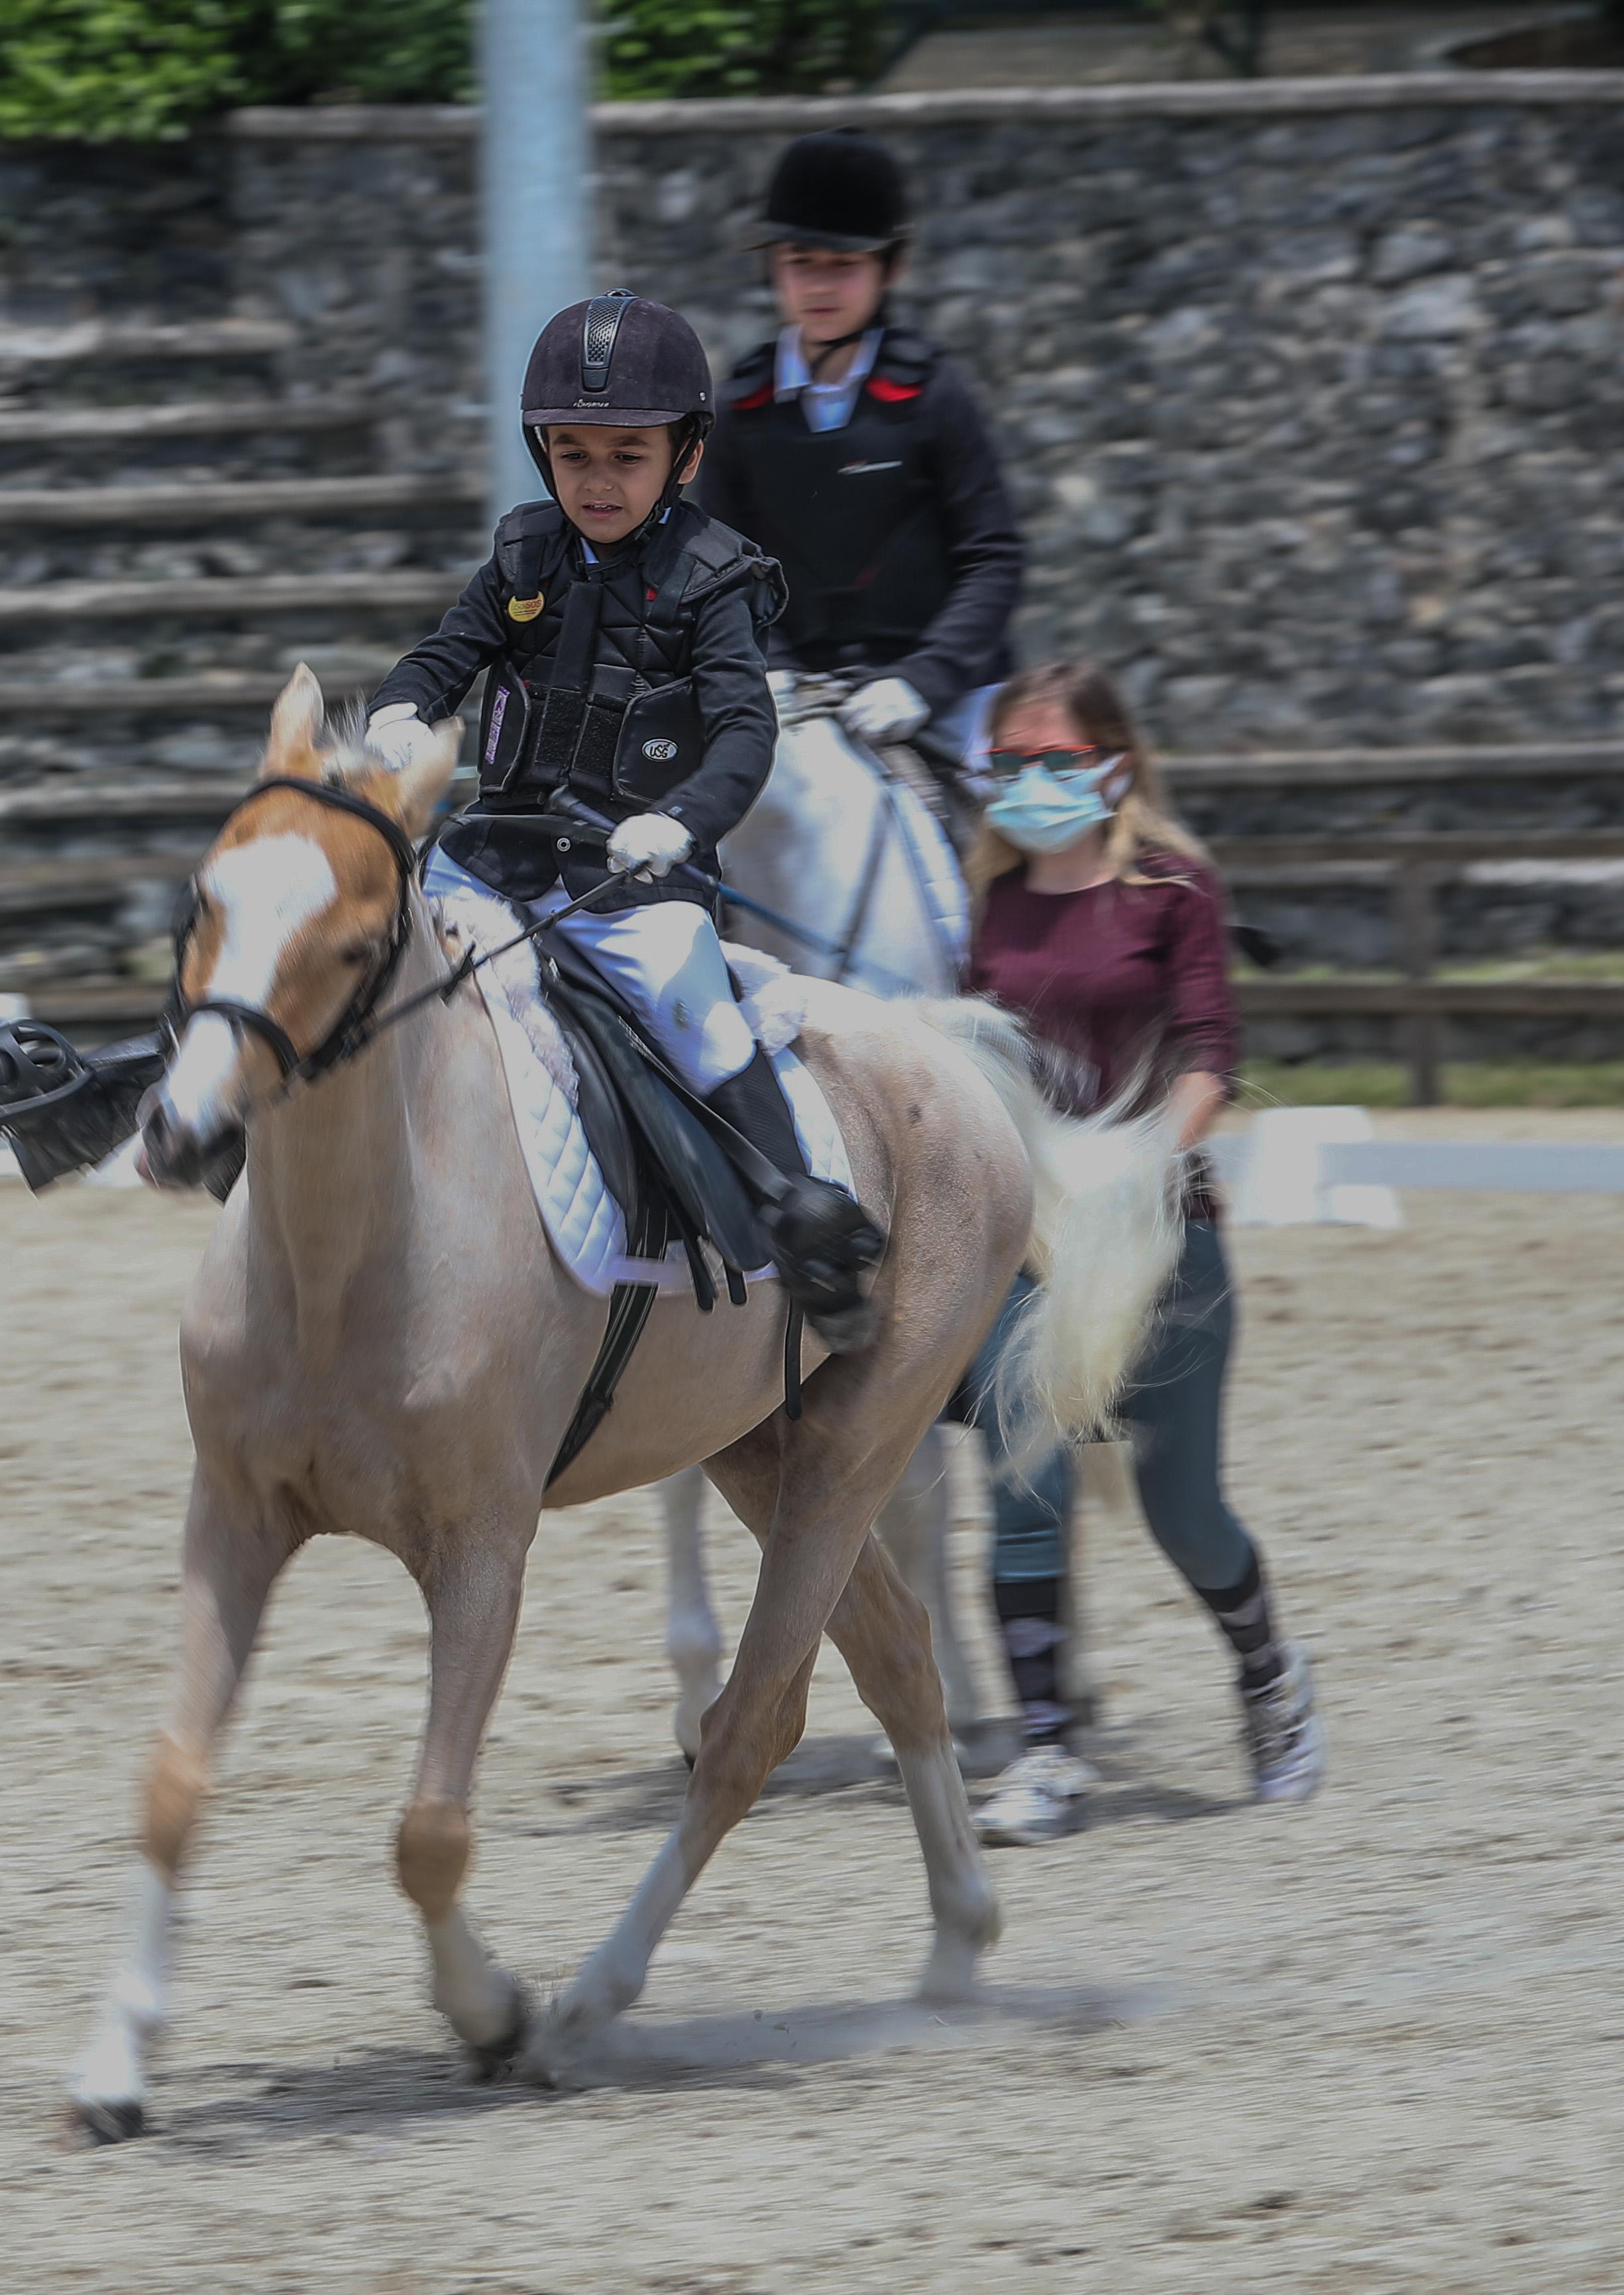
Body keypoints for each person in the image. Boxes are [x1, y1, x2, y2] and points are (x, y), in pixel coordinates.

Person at [360, 291, 885, 1342]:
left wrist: (683, 822)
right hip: (491, 858)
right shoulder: (521, 556)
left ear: (685, 455)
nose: (595, 481)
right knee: (354, 953)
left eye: (626, 456)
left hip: (631, 879)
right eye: (573, 454)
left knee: (700, 1020)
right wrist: (400, 705)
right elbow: (445, 654)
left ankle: (807, 1227)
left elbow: (743, 733)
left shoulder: (717, 580)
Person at [950, 659, 1326, 1844]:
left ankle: (1269, 1677)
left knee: (1185, 1513)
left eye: (1056, 760)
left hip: (1159, 1237)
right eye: (1009, 762)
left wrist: (1142, 1161)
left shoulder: (1173, 888)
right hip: (1029, 1244)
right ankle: (1046, 1751)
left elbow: (1211, 1049)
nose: (1029, 781)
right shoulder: (991, 898)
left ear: (1113, 765)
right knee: (1023, 1487)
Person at [696, 129, 1022, 777]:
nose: (820, 285)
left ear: (890, 269)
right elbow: (722, 577)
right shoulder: (737, 409)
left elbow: (993, 558)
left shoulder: (934, 395)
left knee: (1022, 821)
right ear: (772, 267)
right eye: (800, 262)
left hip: (945, 696)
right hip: (799, 702)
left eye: (844, 264)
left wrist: (924, 680)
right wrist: (770, 670)